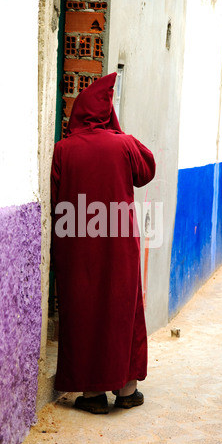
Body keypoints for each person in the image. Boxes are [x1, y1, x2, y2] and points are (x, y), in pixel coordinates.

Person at [50, 72, 156, 414]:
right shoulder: (123, 145)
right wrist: (119, 132)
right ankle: (126, 390)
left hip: (77, 242)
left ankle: (92, 395)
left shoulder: (63, 150)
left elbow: (56, 199)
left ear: (78, 114)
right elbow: (146, 170)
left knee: (83, 311)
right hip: (119, 245)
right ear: (107, 114)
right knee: (121, 310)